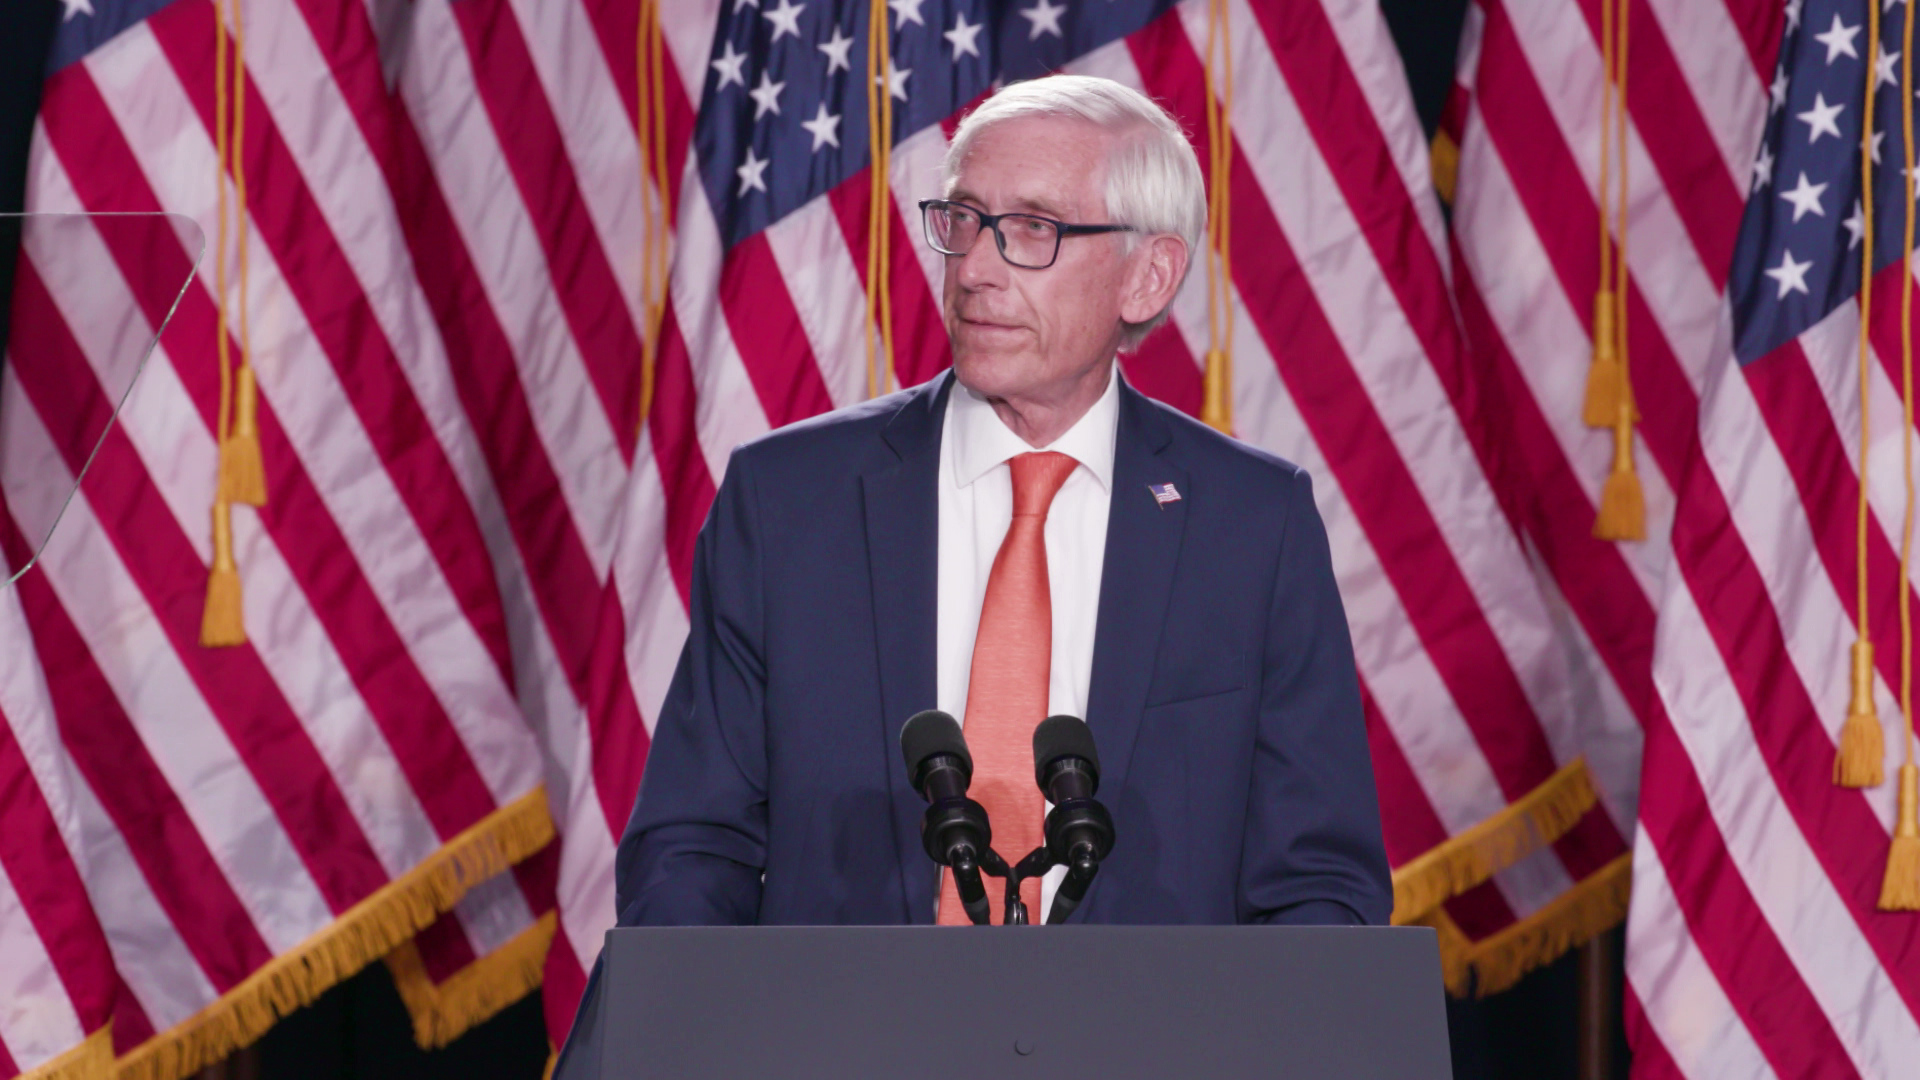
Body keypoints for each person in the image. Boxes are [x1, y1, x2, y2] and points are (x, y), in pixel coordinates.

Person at [554, 74, 1389, 1072]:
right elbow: (694, 853)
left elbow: (1319, 885)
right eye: (962, 222)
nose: (977, 270)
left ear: (1149, 276)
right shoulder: (788, 503)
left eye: (1031, 230)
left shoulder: (1252, 525)